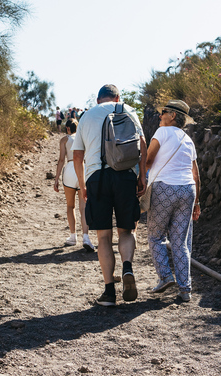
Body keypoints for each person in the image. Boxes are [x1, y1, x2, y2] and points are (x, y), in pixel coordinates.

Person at [73, 84, 147, 306]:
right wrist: (142, 176)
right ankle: (127, 267)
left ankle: (109, 293)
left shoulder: (87, 116)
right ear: (117, 98)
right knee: (126, 229)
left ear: (98, 100)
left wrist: (83, 184)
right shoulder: (128, 110)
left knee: (103, 237)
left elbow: (77, 156)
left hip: (97, 177)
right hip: (125, 175)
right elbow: (142, 145)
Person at [145, 99, 201, 302]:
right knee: (181, 242)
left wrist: (140, 180)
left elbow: (149, 161)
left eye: (164, 112)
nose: (160, 116)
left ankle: (165, 277)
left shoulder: (162, 133)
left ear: (173, 116)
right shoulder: (188, 140)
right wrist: (197, 203)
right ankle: (185, 289)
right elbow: (196, 175)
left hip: (164, 188)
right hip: (188, 191)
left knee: (155, 236)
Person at [53, 118, 95, 251]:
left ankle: (73, 236)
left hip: (70, 169)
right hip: (83, 169)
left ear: (67, 128)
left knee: (70, 206)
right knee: (84, 207)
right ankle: (86, 237)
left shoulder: (65, 140)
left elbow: (61, 160)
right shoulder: (84, 138)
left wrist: (56, 179)